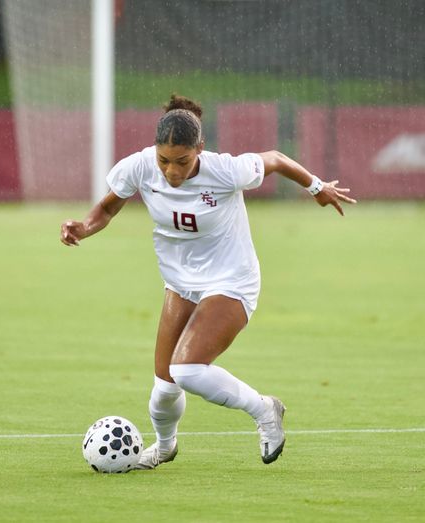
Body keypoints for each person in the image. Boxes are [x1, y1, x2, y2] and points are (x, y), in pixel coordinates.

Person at [60, 94, 356, 468]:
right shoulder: (138, 166)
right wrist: (82, 228)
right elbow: (106, 209)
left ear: (199, 148)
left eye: (182, 161)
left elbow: (277, 159)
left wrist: (317, 188)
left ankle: (265, 410)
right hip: (181, 283)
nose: (171, 171)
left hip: (231, 279)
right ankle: (165, 448)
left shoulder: (226, 170)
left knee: (187, 371)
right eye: (164, 160)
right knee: (163, 390)